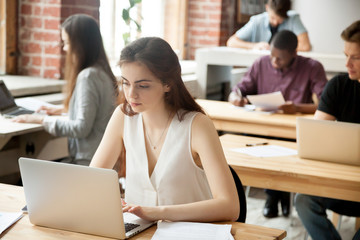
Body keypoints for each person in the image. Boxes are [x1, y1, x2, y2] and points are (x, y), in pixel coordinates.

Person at [90, 37, 240, 222]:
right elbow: (92, 180)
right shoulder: (123, 116)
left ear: (168, 83)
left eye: (143, 85)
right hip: (139, 232)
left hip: (189, 233)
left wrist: (159, 212)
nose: (131, 94)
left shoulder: (197, 125)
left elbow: (230, 206)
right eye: (126, 83)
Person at [229, 30, 327, 218]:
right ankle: (278, 196)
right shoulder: (261, 63)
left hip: (292, 131)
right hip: (261, 126)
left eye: (280, 59)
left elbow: (325, 104)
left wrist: (297, 107)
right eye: (272, 55)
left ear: (294, 54)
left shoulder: (312, 67)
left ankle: (273, 197)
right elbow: (239, 89)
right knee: (247, 142)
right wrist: (235, 97)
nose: (274, 62)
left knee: (280, 145)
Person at [13, 14, 120, 166]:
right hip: (101, 159)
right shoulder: (103, 72)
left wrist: (40, 119)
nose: (64, 49)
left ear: (80, 45)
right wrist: (64, 110)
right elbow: (95, 114)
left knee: (27, 170)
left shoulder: (88, 76)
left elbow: (81, 128)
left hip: (88, 161)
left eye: (66, 43)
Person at [295, 20, 360, 240]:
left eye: (356, 57)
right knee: (303, 199)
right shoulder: (339, 86)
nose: (347, 64)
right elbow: (317, 135)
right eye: (346, 55)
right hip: (341, 180)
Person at [227, 0, 311, 52]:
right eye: (273, 17)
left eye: (280, 19)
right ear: (267, 8)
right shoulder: (257, 21)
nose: (275, 22)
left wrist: (278, 49)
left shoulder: (293, 18)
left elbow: (305, 46)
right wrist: (254, 46)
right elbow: (231, 42)